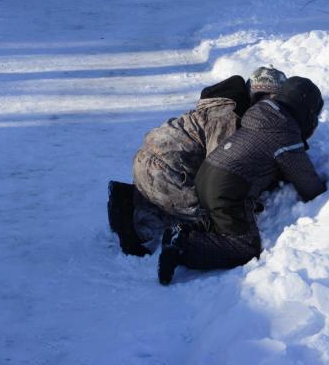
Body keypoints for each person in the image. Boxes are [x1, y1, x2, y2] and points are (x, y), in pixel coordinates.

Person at [158, 76, 328, 285]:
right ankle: (183, 247)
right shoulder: (284, 133)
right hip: (228, 187)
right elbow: (307, 183)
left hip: (207, 175)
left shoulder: (262, 115)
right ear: (306, 110)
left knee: (222, 221)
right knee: (245, 247)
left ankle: (186, 232)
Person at [108, 67, 288, 256]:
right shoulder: (228, 117)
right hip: (164, 173)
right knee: (222, 216)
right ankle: (137, 221)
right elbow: (221, 171)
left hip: (150, 167)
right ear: (252, 95)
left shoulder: (222, 107)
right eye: (265, 99)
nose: (268, 108)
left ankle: (131, 198)